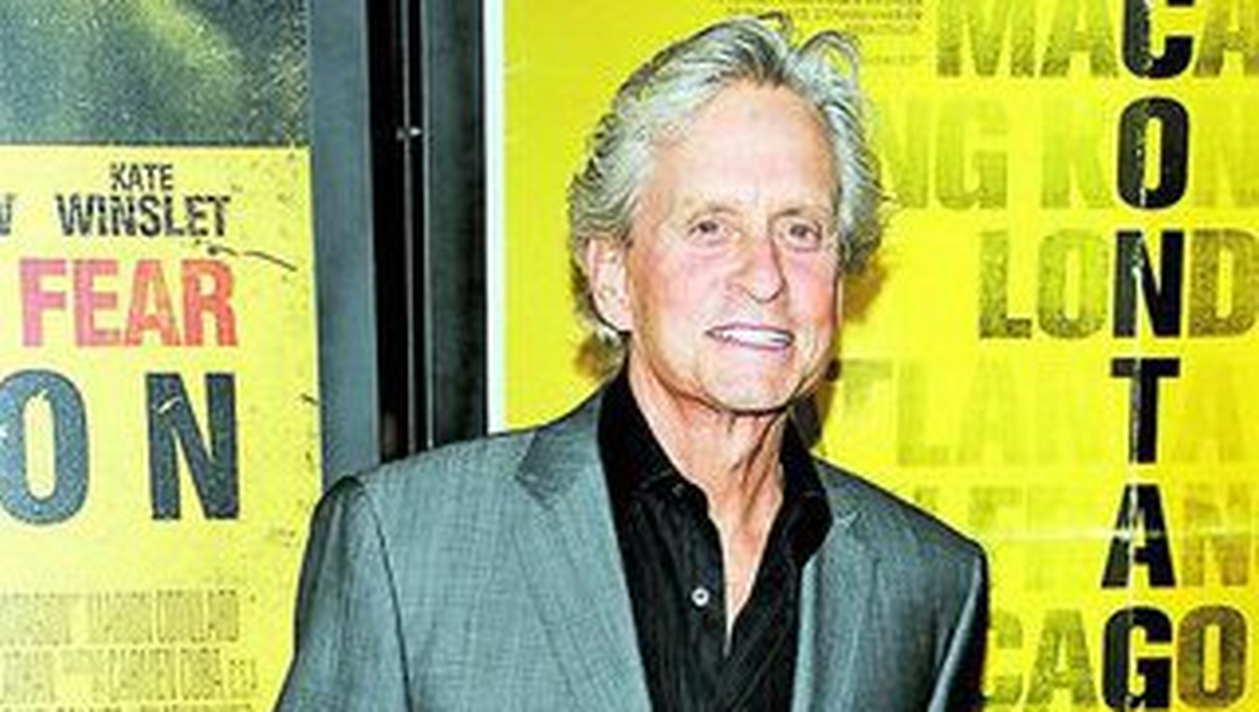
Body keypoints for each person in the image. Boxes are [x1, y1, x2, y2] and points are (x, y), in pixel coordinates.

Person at [277, 14, 986, 711]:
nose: (766, 276)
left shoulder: (928, 587)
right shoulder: (403, 547)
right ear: (612, 276)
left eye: (801, 230)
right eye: (711, 227)